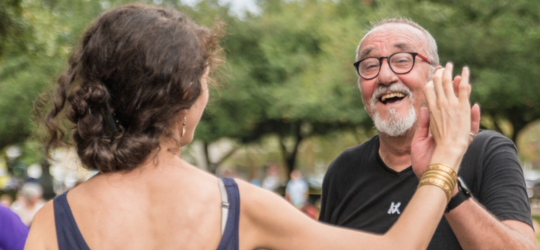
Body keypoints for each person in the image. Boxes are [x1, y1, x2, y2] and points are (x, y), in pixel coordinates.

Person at [25, 4, 473, 249]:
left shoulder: (51, 222)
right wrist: (448, 154)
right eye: (204, 82)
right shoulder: (234, 206)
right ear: (185, 97)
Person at [319, 18, 536, 250]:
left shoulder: (487, 151)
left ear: (437, 78)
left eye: (402, 60)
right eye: (370, 65)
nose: (384, 77)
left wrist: (443, 177)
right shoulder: (343, 170)